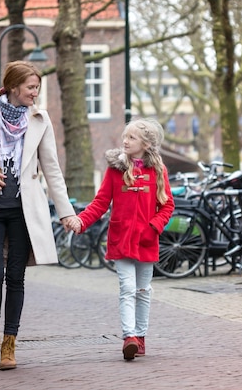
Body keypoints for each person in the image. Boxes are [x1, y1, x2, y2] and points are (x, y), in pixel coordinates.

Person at [0, 61, 76, 371]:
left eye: (37, 88)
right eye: (31, 87)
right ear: (13, 87)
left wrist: (66, 213)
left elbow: (52, 170)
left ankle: (9, 345)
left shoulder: (40, 120)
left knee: (16, 278)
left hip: (23, 213)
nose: (35, 93)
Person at [67, 118, 174, 361]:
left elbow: (167, 206)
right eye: (125, 136)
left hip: (147, 240)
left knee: (143, 290)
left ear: (146, 144)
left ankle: (141, 336)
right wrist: (81, 221)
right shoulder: (115, 170)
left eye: (132, 137)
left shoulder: (158, 171)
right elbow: (100, 202)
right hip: (121, 239)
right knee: (127, 289)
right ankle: (129, 337)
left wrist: (152, 228)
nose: (125, 141)